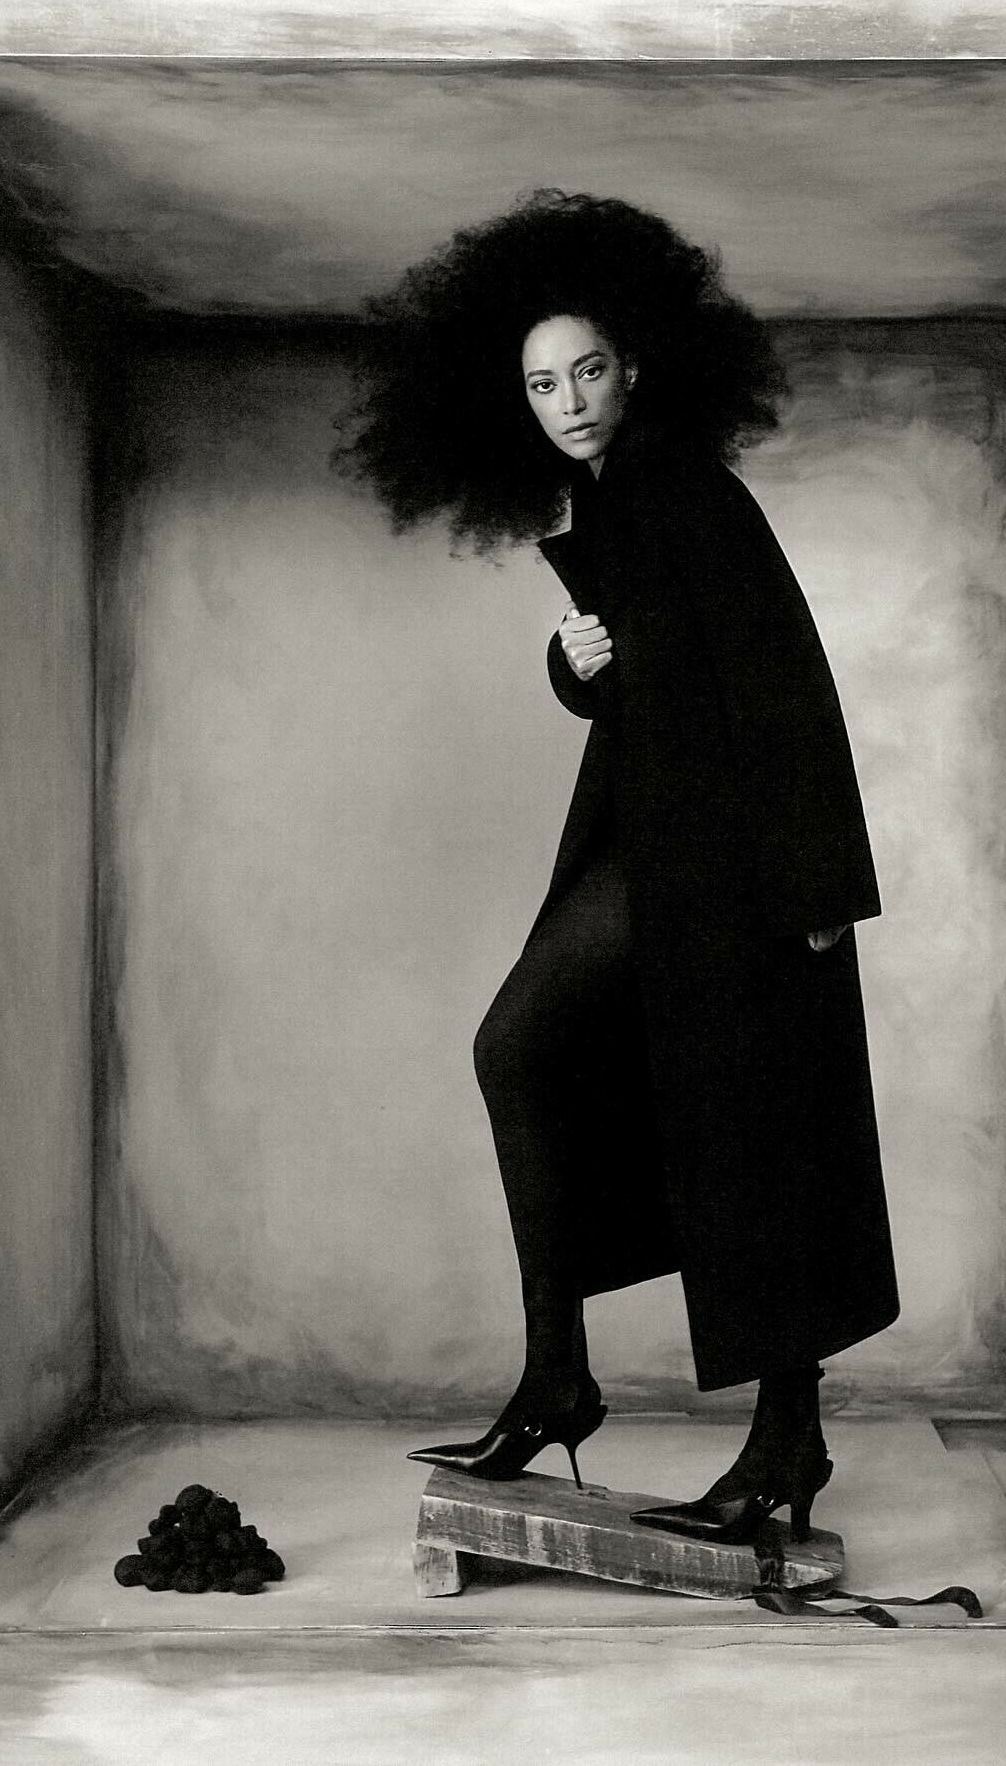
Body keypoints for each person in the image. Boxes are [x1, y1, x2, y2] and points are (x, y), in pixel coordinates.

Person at [335, 189, 899, 1545]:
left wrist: (822, 887)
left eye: (587, 370)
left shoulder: (683, 486)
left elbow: (783, 678)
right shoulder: (613, 497)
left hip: (741, 866)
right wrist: (573, 663)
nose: (569, 402)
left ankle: (778, 1441)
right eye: (543, 384)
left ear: (635, 368)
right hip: (660, 845)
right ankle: (561, 1379)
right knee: (538, 1053)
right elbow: (656, 683)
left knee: (761, 1134)